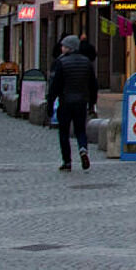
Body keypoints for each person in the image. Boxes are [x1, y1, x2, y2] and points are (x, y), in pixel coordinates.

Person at [48, 34, 99, 171]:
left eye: (64, 46)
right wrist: (92, 103)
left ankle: (67, 161)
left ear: (69, 48)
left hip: (65, 102)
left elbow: (55, 86)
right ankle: (83, 149)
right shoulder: (86, 62)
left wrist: (50, 102)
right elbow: (93, 85)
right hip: (81, 102)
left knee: (64, 132)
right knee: (80, 130)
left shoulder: (61, 62)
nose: (62, 48)